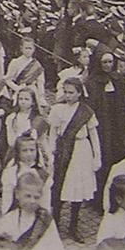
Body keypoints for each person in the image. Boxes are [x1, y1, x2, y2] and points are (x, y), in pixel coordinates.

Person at [49, 74, 100, 241]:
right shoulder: (58, 109)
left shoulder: (86, 112)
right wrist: (51, 153)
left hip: (81, 151)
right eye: (65, 92)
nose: (68, 95)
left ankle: (73, 226)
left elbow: (94, 135)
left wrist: (96, 157)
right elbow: (53, 133)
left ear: (79, 93)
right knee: (60, 187)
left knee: (78, 188)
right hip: (64, 151)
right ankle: (54, 224)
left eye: (71, 92)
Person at [0, 168, 64, 250]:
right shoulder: (8, 220)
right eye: (27, 196)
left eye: (36, 197)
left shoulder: (45, 220)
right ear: (17, 194)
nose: (32, 201)